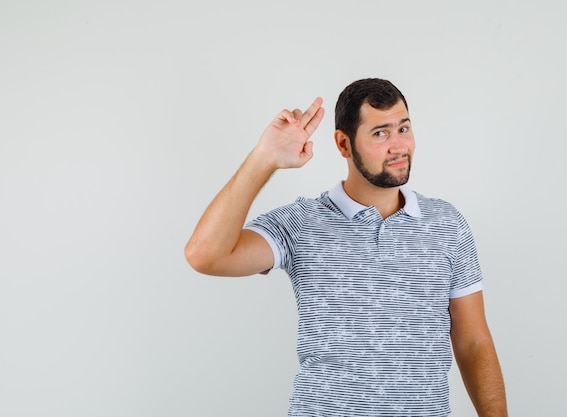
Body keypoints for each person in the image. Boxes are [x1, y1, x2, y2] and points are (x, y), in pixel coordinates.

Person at [185, 78, 508, 416]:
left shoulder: (447, 224)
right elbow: (205, 255)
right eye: (380, 133)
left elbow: (474, 343)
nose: (398, 146)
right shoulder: (301, 222)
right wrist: (264, 158)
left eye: (404, 128)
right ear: (344, 144)